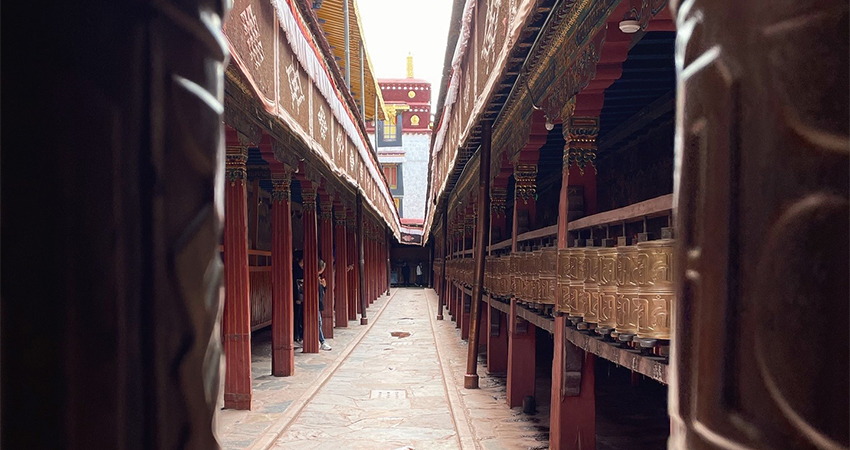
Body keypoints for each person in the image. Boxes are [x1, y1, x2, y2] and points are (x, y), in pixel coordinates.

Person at [317, 260, 332, 351]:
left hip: (318, 302)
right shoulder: (314, 278)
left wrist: (323, 286)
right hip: (315, 303)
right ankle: (322, 341)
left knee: (319, 322)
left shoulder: (318, 278)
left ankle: (321, 341)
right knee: (318, 322)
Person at [293, 250, 304, 347]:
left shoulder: (302, 268)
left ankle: (300, 334)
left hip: (302, 293)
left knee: (301, 316)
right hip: (298, 294)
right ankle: (296, 334)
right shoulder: (295, 268)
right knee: (297, 315)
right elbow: (294, 284)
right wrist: (297, 297)